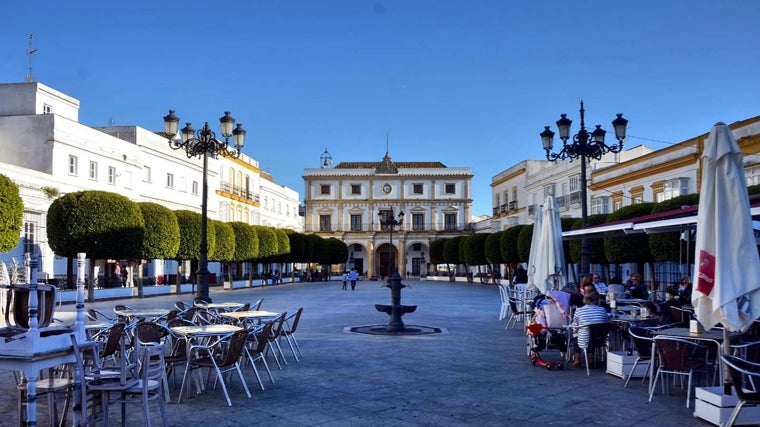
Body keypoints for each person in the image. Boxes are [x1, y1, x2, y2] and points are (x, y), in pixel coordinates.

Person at [571, 292, 610, 368]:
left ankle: (577, 358)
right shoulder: (602, 310)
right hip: (600, 340)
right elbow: (606, 322)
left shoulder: (578, 311)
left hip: (584, 340)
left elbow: (576, 326)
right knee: (592, 334)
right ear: (597, 300)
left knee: (576, 335)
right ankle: (590, 357)